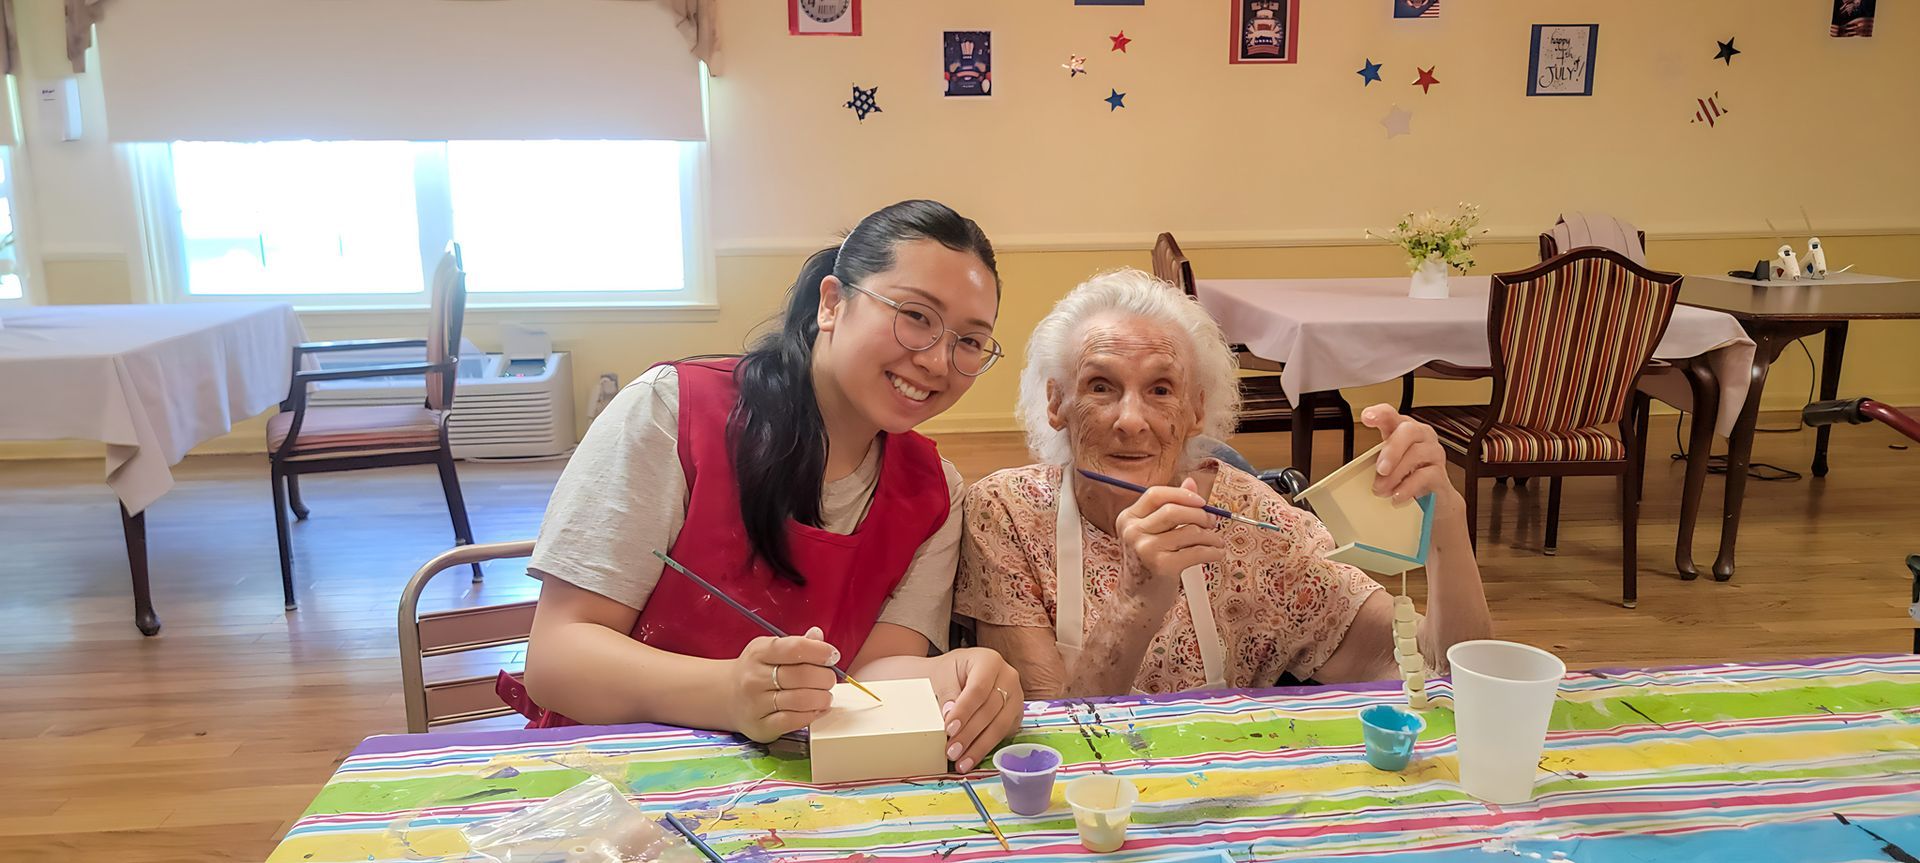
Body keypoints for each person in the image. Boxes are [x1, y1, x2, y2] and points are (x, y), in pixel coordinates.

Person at [505, 201, 1024, 773]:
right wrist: (728, 692)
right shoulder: (672, 413)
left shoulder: (935, 493)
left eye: (969, 342)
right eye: (916, 316)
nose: (938, 361)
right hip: (613, 774)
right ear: (832, 303)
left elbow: (865, 680)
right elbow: (557, 660)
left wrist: (947, 675)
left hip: (789, 788)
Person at [954, 268, 1492, 697]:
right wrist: (1133, 603)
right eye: (1101, 386)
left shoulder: (1252, 523)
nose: (1131, 420)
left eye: (1161, 390)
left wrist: (1444, 517)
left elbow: (1440, 674)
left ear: (1196, 410)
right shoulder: (1007, 513)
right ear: (1056, 403)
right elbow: (1049, 739)